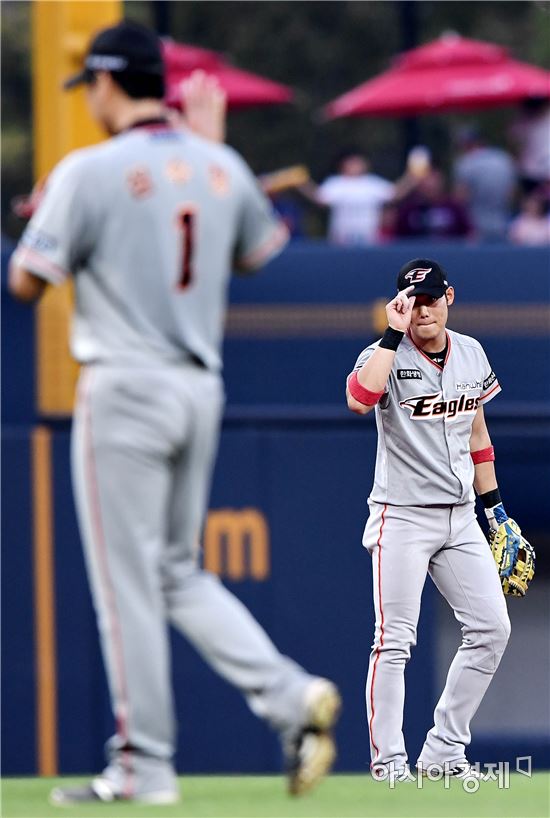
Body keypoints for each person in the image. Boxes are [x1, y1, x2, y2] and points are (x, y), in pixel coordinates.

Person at [9, 21, 340, 805]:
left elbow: (27, 279)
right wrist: (208, 157)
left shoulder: (85, 168)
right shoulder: (218, 163)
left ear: (106, 81)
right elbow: (259, 251)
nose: (88, 99)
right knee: (177, 572)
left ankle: (142, 768)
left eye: (90, 85)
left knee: (126, 585)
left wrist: (54, 217)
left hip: (125, 387)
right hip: (200, 388)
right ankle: (291, 699)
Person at [345, 258, 515, 782]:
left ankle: (443, 751)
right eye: (413, 300)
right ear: (399, 305)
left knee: (491, 629)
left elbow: (478, 435)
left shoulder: (471, 351)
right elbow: (358, 400)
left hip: (461, 516)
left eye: (432, 297)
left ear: (449, 298)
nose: (424, 308)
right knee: (394, 640)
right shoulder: (384, 354)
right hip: (403, 515)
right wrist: (389, 336)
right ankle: (389, 762)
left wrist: (498, 515)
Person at [299, 148, 395, 245]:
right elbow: (319, 199)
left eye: (357, 162)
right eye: (351, 163)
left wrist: (410, 177)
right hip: (341, 240)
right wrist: (303, 183)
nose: (354, 166)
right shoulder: (335, 183)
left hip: (370, 239)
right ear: (343, 165)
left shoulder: (373, 183)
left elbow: (395, 194)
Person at [453, 126, 516, 242]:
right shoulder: (503, 158)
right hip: (503, 224)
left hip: (475, 227)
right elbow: (511, 193)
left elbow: (461, 197)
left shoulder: (466, 162)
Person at [395, 169, 471, 239]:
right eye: (426, 182)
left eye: (433, 182)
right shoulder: (409, 209)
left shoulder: (454, 207)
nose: (430, 186)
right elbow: (396, 236)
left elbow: (469, 233)